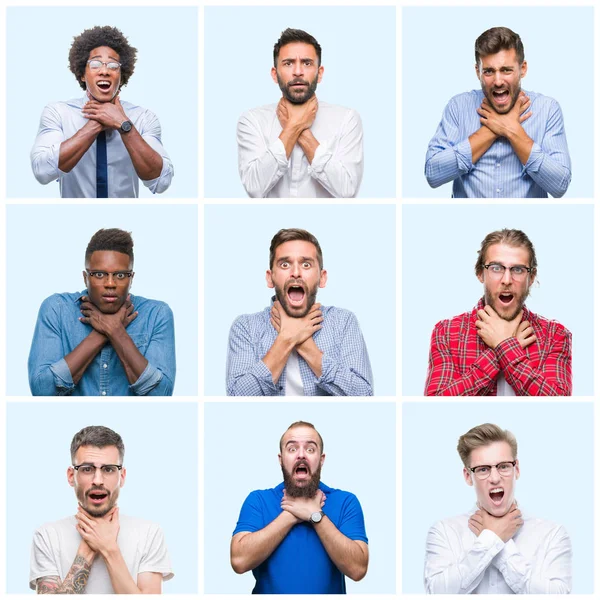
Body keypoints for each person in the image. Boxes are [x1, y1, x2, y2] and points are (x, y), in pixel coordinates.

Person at [424, 423, 572, 593]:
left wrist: (499, 543)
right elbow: (437, 592)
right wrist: (490, 539)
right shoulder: (444, 532)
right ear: (468, 476)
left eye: (503, 466)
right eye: (483, 469)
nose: (495, 478)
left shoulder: (552, 534)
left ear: (516, 469)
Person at [425, 27, 571, 198]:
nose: (498, 81)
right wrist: (491, 129)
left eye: (506, 70)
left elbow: (559, 185)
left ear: (522, 69)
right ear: (477, 72)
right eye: (488, 71)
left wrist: (513, 130)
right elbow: (433, 174)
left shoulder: (547, 109)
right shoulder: (458, 107)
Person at [28, 228, 176, 396]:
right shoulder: (56, 309)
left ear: (131, 278)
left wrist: (116, 332)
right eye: (99, 274)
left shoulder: (156, 314)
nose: (110, 283)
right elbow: (42, 390)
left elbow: (160, 394)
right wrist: (103, 332)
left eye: (120, 275)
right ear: (85, 278)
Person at [425, 229, 571, 396]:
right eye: (496, 268)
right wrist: (505, 348)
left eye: (518, 269)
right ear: (480, 273)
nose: (507, 280)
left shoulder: (556, 335)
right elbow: (439, 400)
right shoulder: (447, 332)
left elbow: (557, 400)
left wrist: (503, 344)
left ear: (531, 277)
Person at [226, 228, 373, 396]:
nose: (295, 273)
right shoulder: (246, 327)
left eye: (306, 264)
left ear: (322, 278)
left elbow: (363, 395)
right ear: (270, 277)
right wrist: (286, 338)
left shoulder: (343, 322)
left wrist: (305, 344)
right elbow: (238, 397)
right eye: (285, 264)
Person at [31, 25, 173, 198]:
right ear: (83, 74)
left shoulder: (143, 118)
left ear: (121, 76)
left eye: (113, 66)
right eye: (95, 64)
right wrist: (96, 123)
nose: (105, 71)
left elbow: (161, 181)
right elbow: (42, 171)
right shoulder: (58, 113)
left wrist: (124, 125)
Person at [30, 426, 173, 593]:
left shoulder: (150, 533)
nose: (98, 480)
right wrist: (87, 548)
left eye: (109, 469)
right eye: (87, 469)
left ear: (122, 476)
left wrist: (108, 548)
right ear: (71, 476)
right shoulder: (47, 536)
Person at [231, 421, 368, 593]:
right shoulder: (258, 500)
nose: (301, 455)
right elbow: (239, 561)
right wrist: (291, 514)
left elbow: (358, 570)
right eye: (292, 449)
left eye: (310, 449)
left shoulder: (345, 502)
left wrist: (316, 515)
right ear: (281, 459)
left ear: (321, 459)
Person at [237, 28, 363, 198]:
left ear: (320, 73)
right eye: (288, 63)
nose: (298, 71)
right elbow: (254, 188)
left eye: (307, 63)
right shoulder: (252, 121)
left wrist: (298, 129)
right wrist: (293, 128)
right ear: (275, 74)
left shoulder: (347, 119)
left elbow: (347, 190)